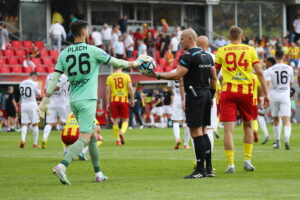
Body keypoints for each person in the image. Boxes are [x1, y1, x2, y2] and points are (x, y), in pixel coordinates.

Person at [38, 20, 150, 185]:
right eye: (87, 31)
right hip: (88, 99)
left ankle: (98, 173)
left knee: (92, 137)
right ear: (84, 32)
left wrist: (45, 100)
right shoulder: (93, 50)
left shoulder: (64, 53)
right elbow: (117, 62)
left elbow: (55, 77)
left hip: (73, 100)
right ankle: (62, 165)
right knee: (84, 136)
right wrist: (135, 63)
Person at [146, 29, 217, 178]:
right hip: (205, 94)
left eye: (182, 39)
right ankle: (209, 168)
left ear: (191, 39)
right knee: (204, 131)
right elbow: (214, 77)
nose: (180, 41)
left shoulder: (188, 55)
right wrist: (211, 95)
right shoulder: (207, 55)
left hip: (194, 95)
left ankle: (199, 170)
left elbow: (178, 74)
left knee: (195, 132)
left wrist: (157, 75)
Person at [214, 26, 269, 173]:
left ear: (228, 36)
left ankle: (230, 165)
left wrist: (213, 89)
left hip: (228, 92)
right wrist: (265, 94)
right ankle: (247, 161)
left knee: (228, 130)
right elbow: (259, 72)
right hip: (246, 92)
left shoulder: (221, 50)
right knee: (248, 126)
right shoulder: (250, 50)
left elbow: (214, 73)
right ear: (242, 36)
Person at [265, 50, 293, 150]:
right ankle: (286, 137)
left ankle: (277, 142)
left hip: (273, 95)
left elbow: (267, 82)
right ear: (284, 56)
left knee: (276, 119)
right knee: (286, 119)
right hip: (285, 95)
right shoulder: (290, 68)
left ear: (275, 57)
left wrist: (266, 95)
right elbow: (291, 83)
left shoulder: (271, 69)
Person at [196, 35, 218, 151]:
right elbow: (218, 77)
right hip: (210, 95)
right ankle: (208, 158)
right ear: (207, 45)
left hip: (196, 95)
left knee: (196, 128)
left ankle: (198, 159)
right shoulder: (213, 57)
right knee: (208, 128)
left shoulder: (193, 56)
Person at [106, 67, 134, 145]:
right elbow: (130, 88)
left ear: (113, 67)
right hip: (123, 100)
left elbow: (108, 92)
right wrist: (132, 99)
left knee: (115, 120)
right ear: (121, 66)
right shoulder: (126, 76)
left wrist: (108, 103)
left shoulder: (110, 77)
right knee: (125, 120)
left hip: (114, 101)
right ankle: (122, 132)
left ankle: (117, 140)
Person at [41, 73, 68, 149]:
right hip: (62, 102)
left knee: (49, 123)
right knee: (66, 123)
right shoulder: (64, 77)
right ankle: (66, 142)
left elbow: (46, 91)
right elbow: (60, 88)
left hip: (51, 101)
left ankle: (44, 138)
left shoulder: (49, 76)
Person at [168, 71, 190, 149]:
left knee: (176, 121)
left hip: (177, 98)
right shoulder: (188, 71)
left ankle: (177, 138)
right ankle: (186, 144)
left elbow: (169, 86)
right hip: (188, 97)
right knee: (189, 122)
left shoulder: (173, 72)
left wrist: (174, 93)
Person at [19, 72, 41, 148]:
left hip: (24, 104)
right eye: (36, 77)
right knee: (35, 124)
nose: (36, 79)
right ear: (34, 76)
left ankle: (23, 140)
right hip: (32, 104)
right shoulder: (34, 83)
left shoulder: (21, 83)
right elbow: (38, 93)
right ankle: (35, 143)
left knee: (24, 124)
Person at [259, 57, 276, 145]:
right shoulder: (275, 71)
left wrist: (264, 97)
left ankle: (267, 135)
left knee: (260, 115)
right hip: (275, 96)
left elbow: (267, 84)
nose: (265, 64)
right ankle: (277, 139)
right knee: (277, 118)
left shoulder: (267, 72)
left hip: (268, 97)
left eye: (266, 62)